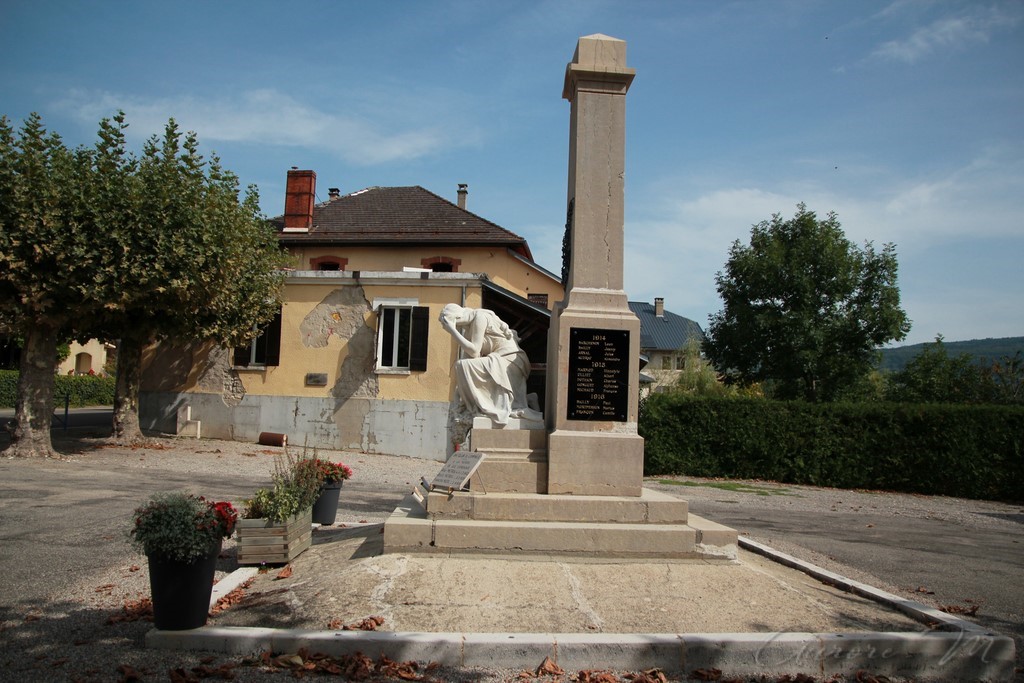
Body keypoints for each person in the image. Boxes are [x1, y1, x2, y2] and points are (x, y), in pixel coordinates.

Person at [439, 304, 542, 425]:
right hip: (500, 359)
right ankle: (528, 399)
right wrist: (458, 400)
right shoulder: (468, 331)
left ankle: (504, 405)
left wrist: (452, 331)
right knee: (463, 366)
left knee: (461, 365)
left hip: (510, 359)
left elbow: (474, 351)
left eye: (453, 323)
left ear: (456, 318)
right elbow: (466, 369)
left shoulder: (480, 317)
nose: (456, 326)